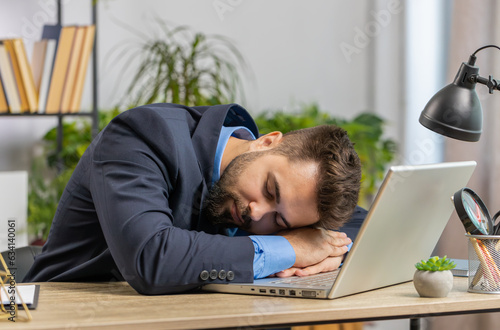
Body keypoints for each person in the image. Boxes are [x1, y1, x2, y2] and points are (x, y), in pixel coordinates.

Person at [24, 103, 367, 294]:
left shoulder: (283, 196)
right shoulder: (142, 136)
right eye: (269, 189)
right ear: (267, 142)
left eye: (280, 221)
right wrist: (292, 247)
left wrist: (332, 248)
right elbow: (151, 258)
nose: (256, 212)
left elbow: (363, 221)